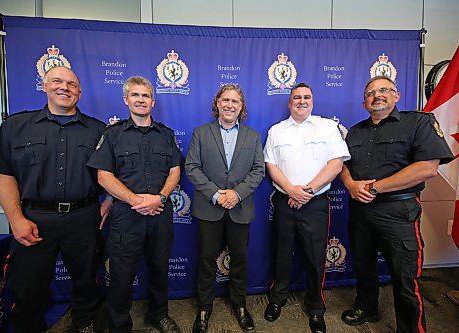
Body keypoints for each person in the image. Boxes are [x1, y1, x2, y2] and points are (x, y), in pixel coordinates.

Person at [0, 66, 107, 333]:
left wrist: (108, 202)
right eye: (57, 81)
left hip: (83, 218)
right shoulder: (15, 126)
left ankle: (85, 324)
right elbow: (4, 176)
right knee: (28, 286)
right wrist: (15, 219)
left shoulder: (98, 131)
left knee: (87, 281)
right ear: (44, 86)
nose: (65, 88)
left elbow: (111, 175)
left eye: (72, 84)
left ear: (80, 92)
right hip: (33, 218)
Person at [340, 76, 454, 333]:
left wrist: (374, 187)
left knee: (405, 276)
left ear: (396, 95)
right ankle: (367, 308)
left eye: (383, 90)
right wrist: (350, 185)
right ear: (364, 102)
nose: (376, 96)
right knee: (363, 265)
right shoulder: (356, 131)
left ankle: (410, 328)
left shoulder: (419, 122)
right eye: (370, 93)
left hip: (398, 213)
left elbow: (427, 167)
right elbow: (343, 166)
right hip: (361, 210)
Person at [86, 76, 182, 333]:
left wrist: (159, 198)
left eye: (145, 96)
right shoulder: (113, 135)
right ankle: (119, 325)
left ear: (153, 101)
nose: (141, 100)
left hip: (160, 213)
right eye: (135, 95)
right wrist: (137, 201)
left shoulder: (166, 134)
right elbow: (103, 175)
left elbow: (175, 170)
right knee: (121, 275)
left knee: (160, 269)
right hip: (126, 217)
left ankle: (158, 315)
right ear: (126, 100)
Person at [263, 82, 350, 333]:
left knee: (315, 259)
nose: (302, 101)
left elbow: (336, 165)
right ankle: (277, 300)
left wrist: (307, 191)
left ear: (312, 101)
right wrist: (291, 190)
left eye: (306, 97)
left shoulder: (327, 127)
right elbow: (271, 165)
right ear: (289, 103)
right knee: (281, 254)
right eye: (296, 98)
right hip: (284, 201)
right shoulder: (276, 131)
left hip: (315, 204)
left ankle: (315, 308)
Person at [185, 84, 264, 333]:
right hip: (210, 208)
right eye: (225, 100)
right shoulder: (201, 133)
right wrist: (217, 194)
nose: (230, 105)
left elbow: (258, 170)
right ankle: (204, 308)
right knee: (207, 260)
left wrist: (237, 194)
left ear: (241, 107)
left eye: (235, 101)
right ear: (217, 103)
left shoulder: (252, 136)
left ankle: (240, 305)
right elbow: (192, 168)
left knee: (239, 260)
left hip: (240, 208)